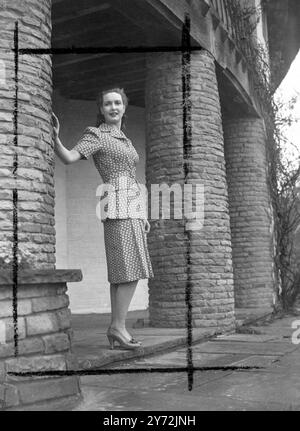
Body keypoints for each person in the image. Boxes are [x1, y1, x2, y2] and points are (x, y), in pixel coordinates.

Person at [52, 87, 154, 350]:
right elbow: (69, 158)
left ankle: (117, 327)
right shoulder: (96, 135)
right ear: (101, 109)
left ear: (124, 107)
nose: (113, 107)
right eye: (108, 103)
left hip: (131, 204)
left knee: (123, 272)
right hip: (116, 203)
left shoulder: (125, 139)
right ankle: (118, 327)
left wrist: (142, 212)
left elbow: (132, 177)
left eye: (118, 103)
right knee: (131, 269)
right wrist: (56, 140)